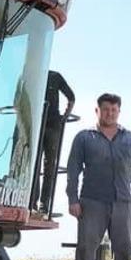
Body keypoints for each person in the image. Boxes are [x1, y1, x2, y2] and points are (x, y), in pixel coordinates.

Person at [65, 93, 131, 260]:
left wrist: (124, 181)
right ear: (97, 111)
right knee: (86, 248)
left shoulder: (129, 139)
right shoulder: (84, 137)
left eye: (114, 110)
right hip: (92, 202)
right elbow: (73, 170)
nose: (110, 113)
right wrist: (73, 199)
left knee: (123, 249)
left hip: (121, 203)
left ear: (118, 112)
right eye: (105, 109)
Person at [38, 71, 75, 210]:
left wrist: (64, 117)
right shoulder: (33, 74)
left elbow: (71, 97)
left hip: (52, 125)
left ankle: (44, 203)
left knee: (49, 165)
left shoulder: (54, 77)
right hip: (37, 125)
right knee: (35, 165)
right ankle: (34, 200)